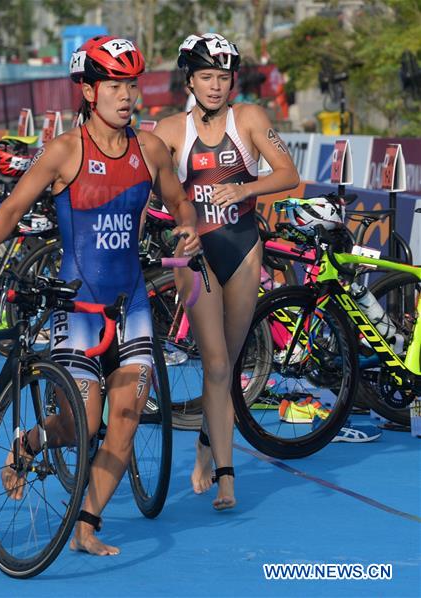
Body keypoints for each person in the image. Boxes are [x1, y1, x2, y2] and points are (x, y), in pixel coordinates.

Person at [0, 36, 201, 556]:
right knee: (82, 426)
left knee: (126, 420)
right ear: (89, 91)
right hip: (77, 307)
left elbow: (180, 201)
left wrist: (187, 228)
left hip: (130, 305)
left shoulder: (150, 149)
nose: (126, 96)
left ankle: (87, 525)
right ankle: (29, 444)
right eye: (114, 85)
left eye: (132, 85)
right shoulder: (65, 150)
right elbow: (11, 209)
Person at [154, 33, 299, 511]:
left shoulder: (249, 118)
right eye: (206, 77)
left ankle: (205, 443)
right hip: (194, 256)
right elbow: (144, 185)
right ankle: (226, 477)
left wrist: (244, 189)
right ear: (190, 81)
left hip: (242, 249)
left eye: (222, 77)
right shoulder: (170, 129)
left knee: (230, 366)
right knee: (215, 364)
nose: (215, 86)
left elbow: (288, 173)